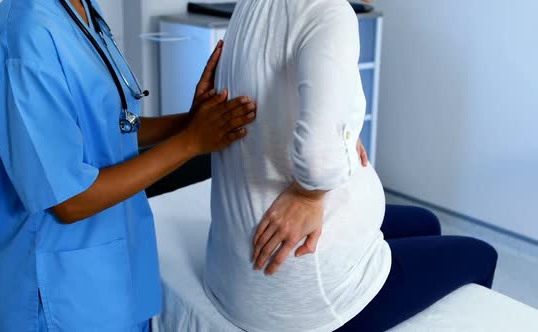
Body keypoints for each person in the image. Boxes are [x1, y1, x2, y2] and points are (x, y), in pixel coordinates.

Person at [204, 0, 498, 331]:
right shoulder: (329, 12)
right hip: (300, 291)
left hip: (233, 270)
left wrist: (340, 133)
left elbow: (275, 101)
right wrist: (308, 195)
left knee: (426, 223)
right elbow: (317, 161)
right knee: (482, 254)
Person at [0, 0, 256, 330]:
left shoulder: (82, 9)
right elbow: (69, 201)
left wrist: (188, 123)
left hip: (113, 273)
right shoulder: (23, 37)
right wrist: (191, 142)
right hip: (61, 293)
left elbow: (112, 123)